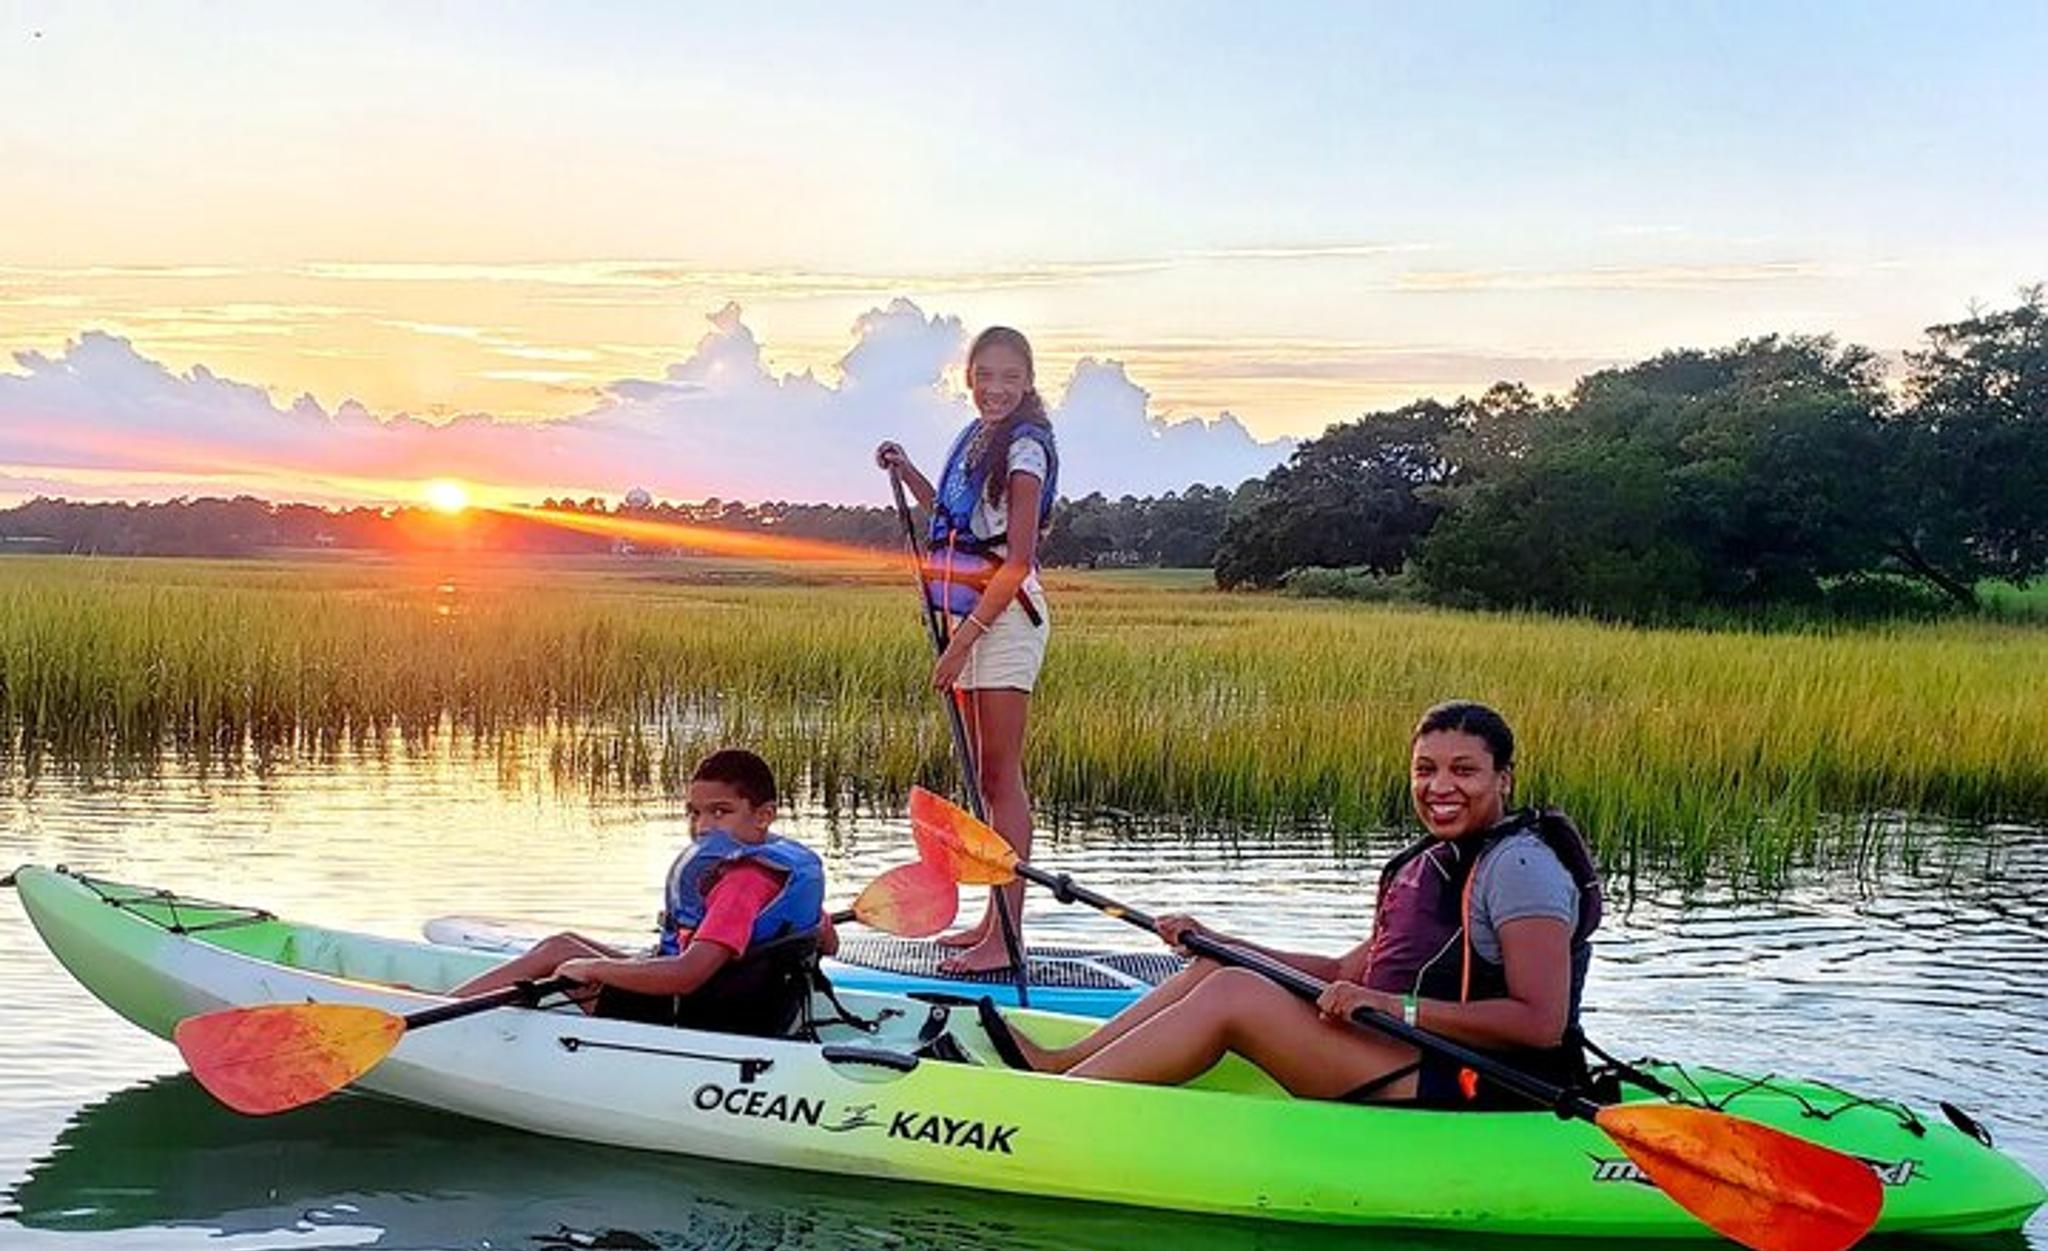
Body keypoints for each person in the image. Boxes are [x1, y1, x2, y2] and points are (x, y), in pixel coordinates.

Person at [980, 701, 1602, 1108]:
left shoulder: (1520, 869)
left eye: (1464, 771)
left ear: (1504, 779)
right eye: (1425, 770)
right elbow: (1340, 975)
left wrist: (1391, 1007)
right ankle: (1063, 1067)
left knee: (1235, 997)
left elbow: (1538, 1022)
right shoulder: (1437, 860)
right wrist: (1220, 941)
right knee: (1220, 969)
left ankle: (1052, 1111)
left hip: (1473, 1079)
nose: (1439, 787)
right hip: (1405, 1049)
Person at [874, 324, 1059, 975]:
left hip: (1005, 619)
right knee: (985, 777)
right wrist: (908, 470)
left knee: (1003, 778)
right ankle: (991, 923)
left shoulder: (1025, 451)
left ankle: (1007, 936)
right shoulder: (980, 439)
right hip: (975, 619)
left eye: (1011, 376)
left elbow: (1017, 563)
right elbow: (954, 522)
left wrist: (961, 646)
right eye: (986, 375)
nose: (997, 387)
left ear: (1028, 381)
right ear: (970, 377)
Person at [452, 748, 834, 1038]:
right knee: (563, 943)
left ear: (763, 815)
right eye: (694, 812)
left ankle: (442, 1010)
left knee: (561, 953)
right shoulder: (783, 869)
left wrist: (593, 969)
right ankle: (453, 1002)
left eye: (720, 812)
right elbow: (827, 942)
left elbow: (686, 975)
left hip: (689, 1014)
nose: (702, 827)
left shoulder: (741, 883)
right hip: (754, 1009)